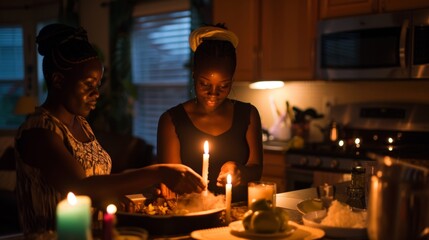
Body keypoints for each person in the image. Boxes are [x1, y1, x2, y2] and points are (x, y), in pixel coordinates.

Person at [14, 23, 205, 235]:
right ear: (58, 80)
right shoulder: (38, 132)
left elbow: (100, 184)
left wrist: (125, 195)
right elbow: (81, 187)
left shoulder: (82, 125)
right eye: (88, 85)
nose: (96, 93)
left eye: (98, 85)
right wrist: (158, 171)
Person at [157, 24, 263, 202]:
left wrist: (240, 172)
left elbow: (256, 169)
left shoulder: (249, 115)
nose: (213, 93)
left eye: (223, 86)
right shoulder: (171, 121)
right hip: (191, 215)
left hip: (238, 216)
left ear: (232, 81)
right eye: (204, 84)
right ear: (193, 75)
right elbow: (170, 181)